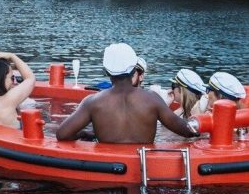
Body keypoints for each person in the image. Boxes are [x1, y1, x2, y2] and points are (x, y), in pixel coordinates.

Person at [55, 43, 197, 144]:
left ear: (106, 71)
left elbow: (62, 134)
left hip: (108, 169)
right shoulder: (152, 99)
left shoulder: (93, 102)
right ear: (134, 70)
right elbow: (187, 131)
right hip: (143, 169)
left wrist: (84, 134)